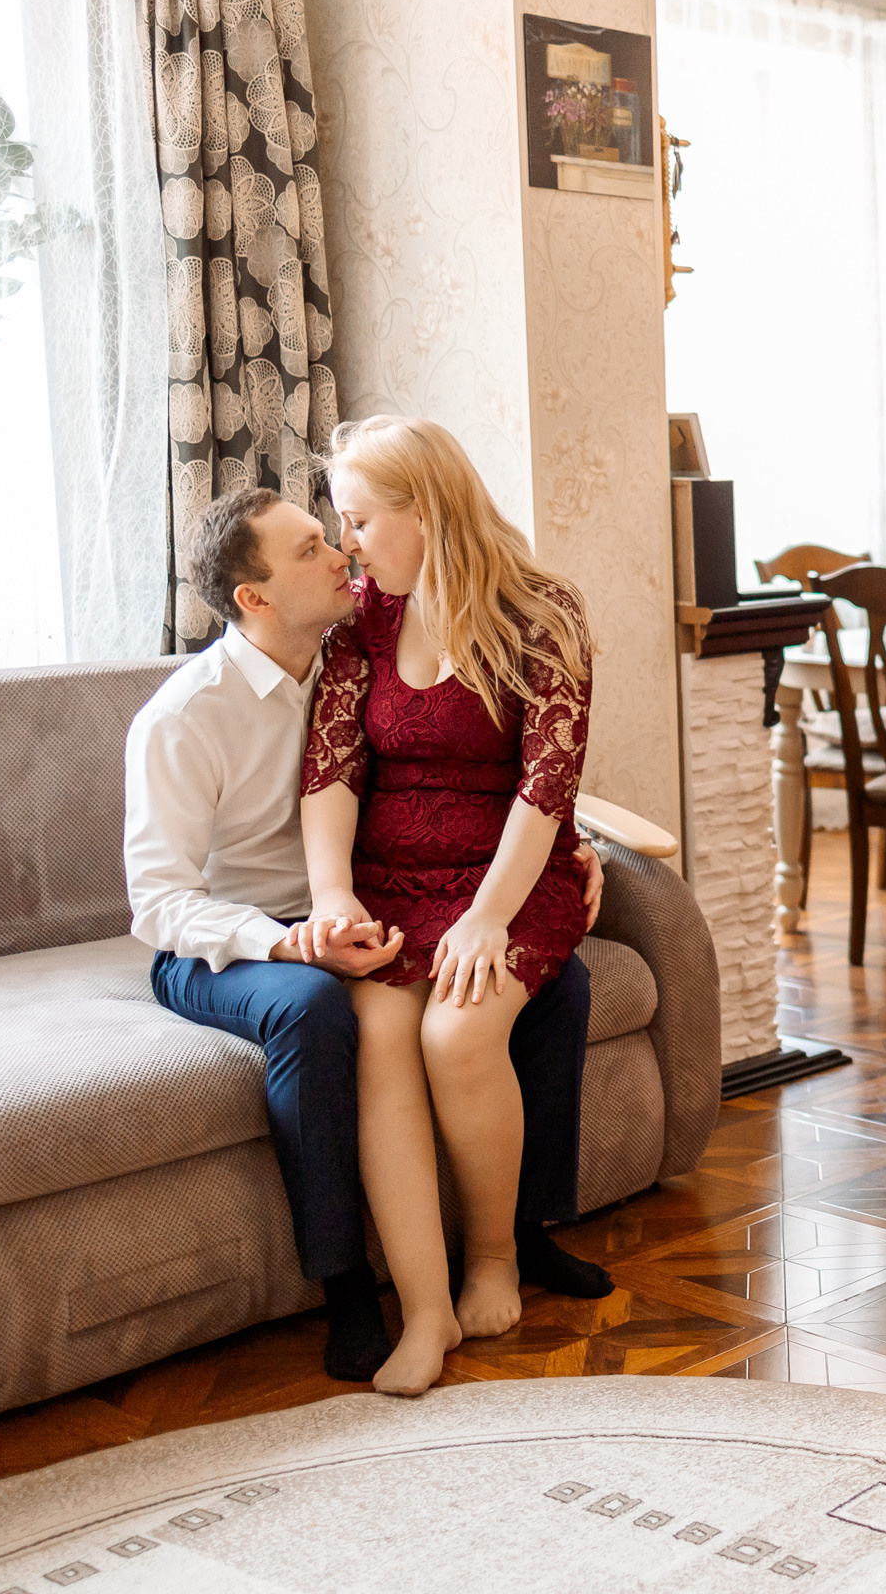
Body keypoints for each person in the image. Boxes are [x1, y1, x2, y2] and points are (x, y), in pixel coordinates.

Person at [128, 485, 613, 1387]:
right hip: (227, 938)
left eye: (337, 533)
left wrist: (570, 848)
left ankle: (519, 1236)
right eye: (312, 548)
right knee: (318, 1011)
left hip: (366, 900)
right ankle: (348, 1285)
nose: (341, 554)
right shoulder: (184, 717)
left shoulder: (352, 647)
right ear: (254, 597)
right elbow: (157, 903)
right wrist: (293, 940)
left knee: (558, 984)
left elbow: (476, 768)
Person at [295, 416, 598, 1396]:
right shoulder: (362, 621)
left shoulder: (542, 613)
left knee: (458, 1034)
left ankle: (494, 1259)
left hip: (509, 881)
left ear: (424, 509)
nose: (349, 545)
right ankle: (426, 1312)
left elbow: (546, 787)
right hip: (390, 881)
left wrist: (488, 915)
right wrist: (334, 895)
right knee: (380, 1035)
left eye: (360, 520)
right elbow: (331, 770)